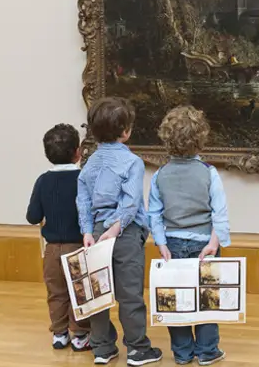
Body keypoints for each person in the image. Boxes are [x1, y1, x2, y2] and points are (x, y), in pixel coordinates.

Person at [76, 97, 163, 366]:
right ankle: (137, 349)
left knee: (98, 294)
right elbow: (131, 202)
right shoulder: (133, 162)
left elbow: (83, 201)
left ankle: (102, 348)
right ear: (126, 131)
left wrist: (87, 232)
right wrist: (116, 229)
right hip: (124, 234)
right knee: (129, 293)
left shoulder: (88, 164)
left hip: (97, 234)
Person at [147, 106, 230, 366]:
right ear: (200, 138)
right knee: (207, 299)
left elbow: (154, 214)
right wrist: (215, 243)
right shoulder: (209, 173)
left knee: (175, 300)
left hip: (171, 244)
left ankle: (182, 353)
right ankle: (207, 351)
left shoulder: (160, 175)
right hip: (205, 244)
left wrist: (161, 243)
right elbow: (220, 212)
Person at [25, 123, 91, 352]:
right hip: (79, 246)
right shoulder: (83, 179)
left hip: (52, 249)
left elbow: (32, 216)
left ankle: (60, 334)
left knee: (56, 292)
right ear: (78, 152)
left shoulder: (43, 181)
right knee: (80, 292)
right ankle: (80, 335)